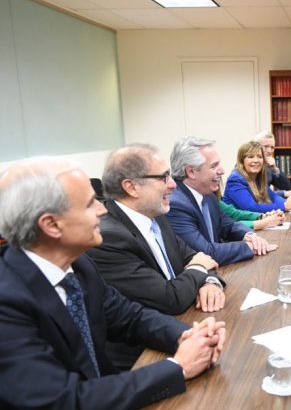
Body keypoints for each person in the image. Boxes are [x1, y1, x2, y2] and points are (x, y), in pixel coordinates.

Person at [0, 157, 225, 410]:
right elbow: (67, 405)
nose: (103, 209)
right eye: (89, 204)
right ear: (51, 225)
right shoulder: (6, 302)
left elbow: (129, 317)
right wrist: (178, 366)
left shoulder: (79, 265)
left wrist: (188, 336)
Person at [87, 145, 227, 368]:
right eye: (163, 177)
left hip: (179, 327)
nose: (173, 184)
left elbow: (196, 256)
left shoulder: (156, 215)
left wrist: (210, 281)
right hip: (141, 357)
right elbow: (169, 299)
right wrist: (199, 269)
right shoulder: (109, 238)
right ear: (131, 187)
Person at [167, 137, 277, 266]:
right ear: (191, 171)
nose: (222, 171)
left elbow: (228, 225)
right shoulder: (175, 205)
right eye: (214, 166)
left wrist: (249, 235)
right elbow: (205, 253)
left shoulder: (207, 195)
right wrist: (250, 247)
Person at [223, 141, 291, 212]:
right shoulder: (235, 180)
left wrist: (288, 202)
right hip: (238, 222)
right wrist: (284, 206)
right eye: (251, 157)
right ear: (242, 161)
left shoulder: (257, 177)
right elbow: (251, 208)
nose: (256, 160)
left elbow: (273, 196)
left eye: (260, 157)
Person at [254, 130, 291, 199]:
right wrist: (285, 193)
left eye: (272, 147)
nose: (269, 151)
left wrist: (275, 169)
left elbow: (287, 187)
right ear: (255, 147)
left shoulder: (268, 165)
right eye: (266, 146)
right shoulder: (250, 165)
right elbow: (258, 194)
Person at [218, 198, 285, 231]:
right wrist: (264, 223)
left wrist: (262, 216)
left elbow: (234, 213)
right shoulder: (235, 179)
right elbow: (251, 207)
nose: (221, 175)